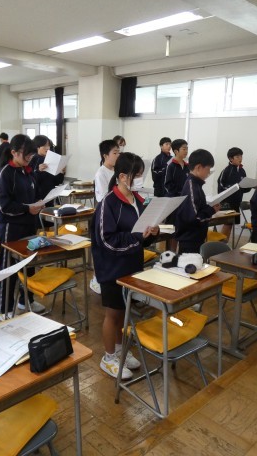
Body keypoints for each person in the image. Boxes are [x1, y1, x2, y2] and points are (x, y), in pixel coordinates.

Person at [91, 152, 158, 379]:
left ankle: (120, 350)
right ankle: (108, 357)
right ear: (122, 176)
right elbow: (107, 241)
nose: (139, 179)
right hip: (112, 268)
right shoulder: (108, 204)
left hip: (131, 265)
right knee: (113, 314)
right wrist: (138, 237)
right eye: (136, 175)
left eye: (141, 175)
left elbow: (141, 235)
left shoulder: (138, 200)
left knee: (124, 312)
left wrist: (152, 233)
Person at [0, 134, 46, 319]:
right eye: (26, 154)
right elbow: (3, 206)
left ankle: (26, 300)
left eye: (31, 154)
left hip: (29, 226)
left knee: (28, 266)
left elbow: (35, 195)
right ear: (14, 152)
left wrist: (39, 203)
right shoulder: (5, 174)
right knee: (9, 269)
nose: (30, 157)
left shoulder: (28, 172)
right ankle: (3, 308)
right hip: (11, 228)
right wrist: (27, 208)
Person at [175, 149, 220, 254]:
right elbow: (193, 218)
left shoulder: (196, 184)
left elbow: (198, 209)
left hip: (196, 237)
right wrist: (211, 210)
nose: (209, 172)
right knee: (190, 263)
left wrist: (210, 208)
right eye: (208, 169)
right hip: (189, 239)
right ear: (198, 167)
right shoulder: (191, 186)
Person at [91, 140, 120, 294]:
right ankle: (97, 279)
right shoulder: (101, 173)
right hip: (105, 215)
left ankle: (111, 279)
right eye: (115, 153)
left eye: (119, 152)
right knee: (102, 251)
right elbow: (103, 198)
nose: (118, 155)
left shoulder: (117, 171)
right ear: (105, 155)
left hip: (116, 214)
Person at [217, 147, 250, 238]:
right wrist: (234, 187)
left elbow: (244, 187)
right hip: (227, 202)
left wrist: (249, 186)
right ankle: (221, 244)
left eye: (241, 156)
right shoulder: (226, 170)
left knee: (231, 224)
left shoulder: (242, 171)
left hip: (237, 202)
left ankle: (225, 243)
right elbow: (221, 185)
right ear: (231, 158)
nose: (240, 158)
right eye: (237, 156)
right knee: (227, 224)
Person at [30, 135, 64, 209]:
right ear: (37, 147)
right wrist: (38, 171)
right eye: (44, 146)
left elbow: (57, 182)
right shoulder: (32, 160)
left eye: (48, 145)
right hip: (37, 198)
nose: (47, 148)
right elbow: (31, 181)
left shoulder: (51, 160)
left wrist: (61, 173)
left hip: (50, 196)